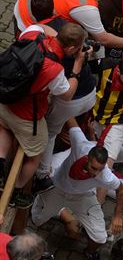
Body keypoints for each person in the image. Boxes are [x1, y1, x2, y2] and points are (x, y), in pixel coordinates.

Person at [0, 23, 86, 208]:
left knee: (4, 126)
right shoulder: (55, 70)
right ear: (71, 48)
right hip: (24, 114)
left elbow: (40, 26)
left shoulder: (32, 34)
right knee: (36, 153)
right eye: (77, 48)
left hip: (3, 98)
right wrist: (77, 65)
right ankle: (14, 191)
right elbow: (68, 93)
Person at [26, 0, 98, 194]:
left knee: (49, 133)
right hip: (90, 93)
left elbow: (65, 92)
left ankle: (42, 176)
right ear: (55, 9)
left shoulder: (53, 44)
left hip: (72, 98)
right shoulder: (70, 27)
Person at [31, 117, 123, 260]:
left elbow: (120, 189)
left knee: (100, 237)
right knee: (37, 220)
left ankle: (90, 252)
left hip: (82, 196)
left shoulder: (105, 175)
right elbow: (70, 118)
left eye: (100, 169)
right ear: (87, 158)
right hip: (57, 189)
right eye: (93, 168)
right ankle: (41, 201)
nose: (95, 174)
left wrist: (118, 215)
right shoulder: (80, 145)